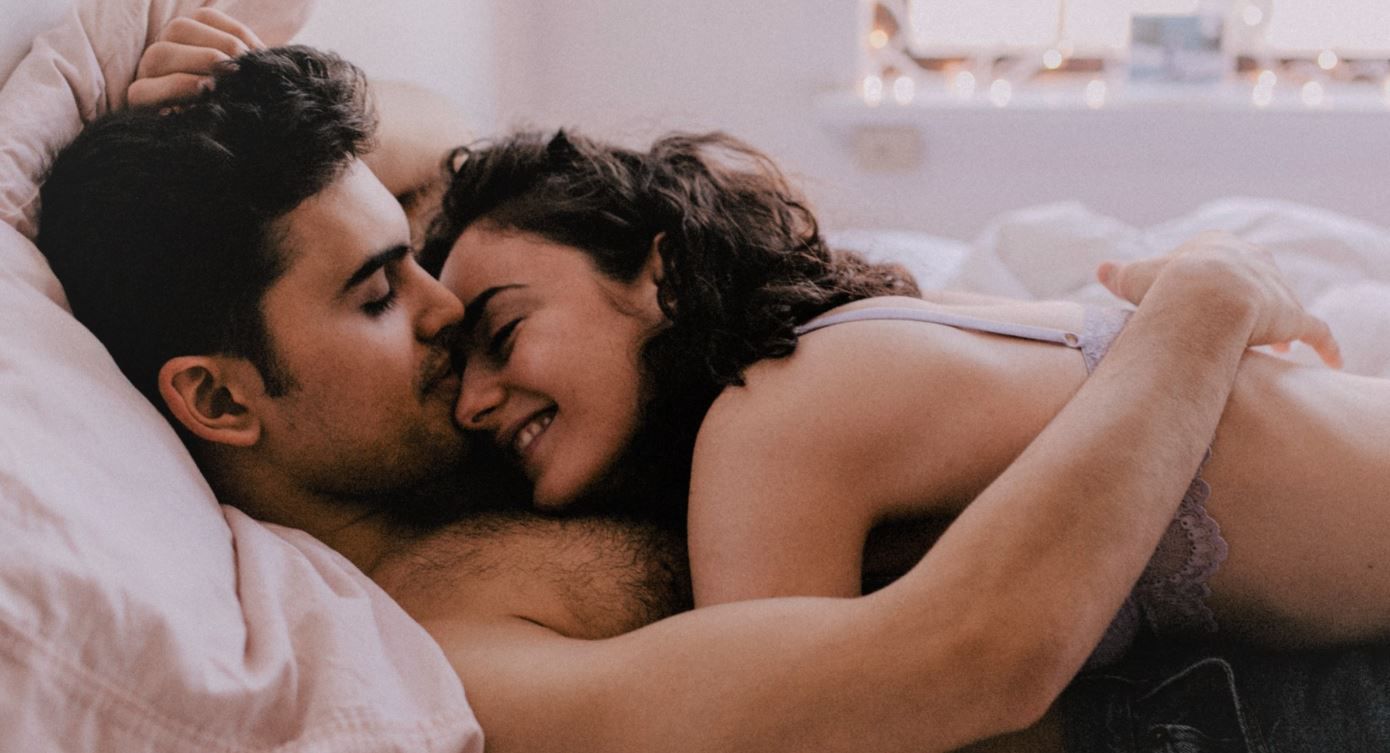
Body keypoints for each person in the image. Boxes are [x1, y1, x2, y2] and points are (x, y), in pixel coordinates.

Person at [33, 13, 1382, 753]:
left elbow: (465, 152)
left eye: (424, 266)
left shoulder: (463, 417)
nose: (443, 314)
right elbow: (954, 664)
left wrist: (253, 92)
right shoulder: (451, 642)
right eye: (381, 294)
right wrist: (1194, 313)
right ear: (222, 401)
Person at [424, 128, 1388, 666]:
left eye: (502, 335)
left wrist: (1208, 292)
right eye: (455, 368)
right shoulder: (833, 354)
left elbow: (797, 729)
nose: (471, 404)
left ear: (658, 272)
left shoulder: (771, 418)